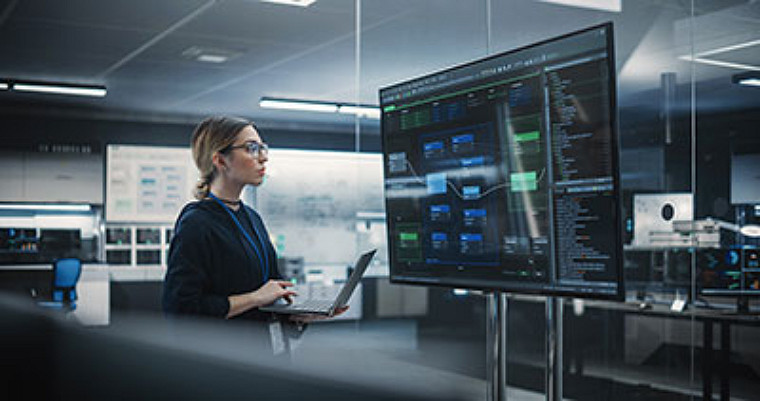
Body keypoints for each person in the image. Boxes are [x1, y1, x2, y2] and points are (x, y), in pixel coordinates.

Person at [162, 116, 338, 352]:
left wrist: (298, 315)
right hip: (225, 364)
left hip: (266, 354)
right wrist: (256, 297)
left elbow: (270, 294)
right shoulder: (197, 223)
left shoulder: (252, 218)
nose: (263, 157)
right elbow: (181, 310)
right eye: (251, 148)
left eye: (263, 148)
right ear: (220, 160)